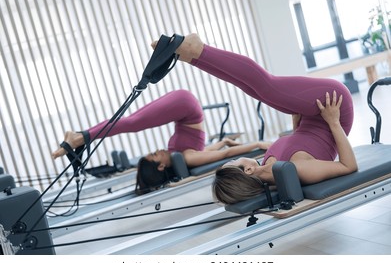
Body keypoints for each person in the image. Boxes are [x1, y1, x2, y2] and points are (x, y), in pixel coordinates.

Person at [152, 33, 358, 204]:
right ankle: (198, 51)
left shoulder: (269, 164)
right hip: (332, 108)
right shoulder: (298, 170)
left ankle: (193, 57)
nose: (235, 157)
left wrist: (297, 118)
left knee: (254, 89)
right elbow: (347, 166)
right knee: (268, 87)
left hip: (310, 116)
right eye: (234, 161)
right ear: (248, 170)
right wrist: (333, 121)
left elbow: (305, 143)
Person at [52, 89, 270, 194]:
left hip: (184, 105)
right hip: (185, 106)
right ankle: (81, 137)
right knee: (132, 122)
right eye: (155, 155)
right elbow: (221, 155)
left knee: (131, 121)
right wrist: (258, 145)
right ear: (161, 165)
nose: (157, 150)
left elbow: (215, 149)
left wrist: (225, 142)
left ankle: (81, 137)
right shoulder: (188, 157)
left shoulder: (183, 156)